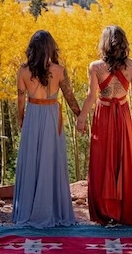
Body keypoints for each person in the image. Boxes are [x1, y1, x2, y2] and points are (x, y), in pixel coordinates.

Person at [77, 25, 132, 226]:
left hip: (104, 114)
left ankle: (104, 212)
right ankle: (126, 211)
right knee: (124, 158)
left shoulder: (95, 67)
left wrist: (81, 118)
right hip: (123, 113)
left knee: (103, 158)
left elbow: (91, 96)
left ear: (104, 44)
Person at [12, 30, 81, 227]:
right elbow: (69, 97)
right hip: (51, 116)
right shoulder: (59, 70)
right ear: (50, 48)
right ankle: (53, 211)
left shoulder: (23, 71)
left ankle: (29, 210)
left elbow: (20, 99)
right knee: (51, 161)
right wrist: (80, 116)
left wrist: (21, 119)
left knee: (31, 160)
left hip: (33, 115)